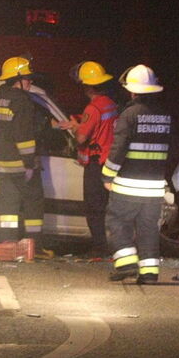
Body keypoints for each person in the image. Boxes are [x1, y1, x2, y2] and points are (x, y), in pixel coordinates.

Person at [103, 65, 174, 284]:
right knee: (148, 228)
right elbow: (172, 150)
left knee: (117, 222)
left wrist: (107, 176)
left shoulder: (130, 114)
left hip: (127, 185)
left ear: (133, 91)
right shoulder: (165, 116)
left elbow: (119, 148)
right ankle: (150, 273)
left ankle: (126, 264)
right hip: (154, 187)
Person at [59, 61, 119, 256]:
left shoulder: (92, 108)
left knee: (93, 208)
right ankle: (113, 245)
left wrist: (75, 127)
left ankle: (100, 247)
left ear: (87, 86)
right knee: (107, 207)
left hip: (95, 164)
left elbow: (82, 137)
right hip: (110, 163)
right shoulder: (110, 104)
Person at [0, 56, 45, 254]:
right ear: (17, 79)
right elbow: (24, 136)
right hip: (20, 164)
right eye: (27, 78)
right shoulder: (22, 100)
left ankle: (8, 244)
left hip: (1, 163)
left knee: (8, 205)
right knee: (33, 202)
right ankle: (33, 245)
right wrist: (29, 163)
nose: (30, 82)